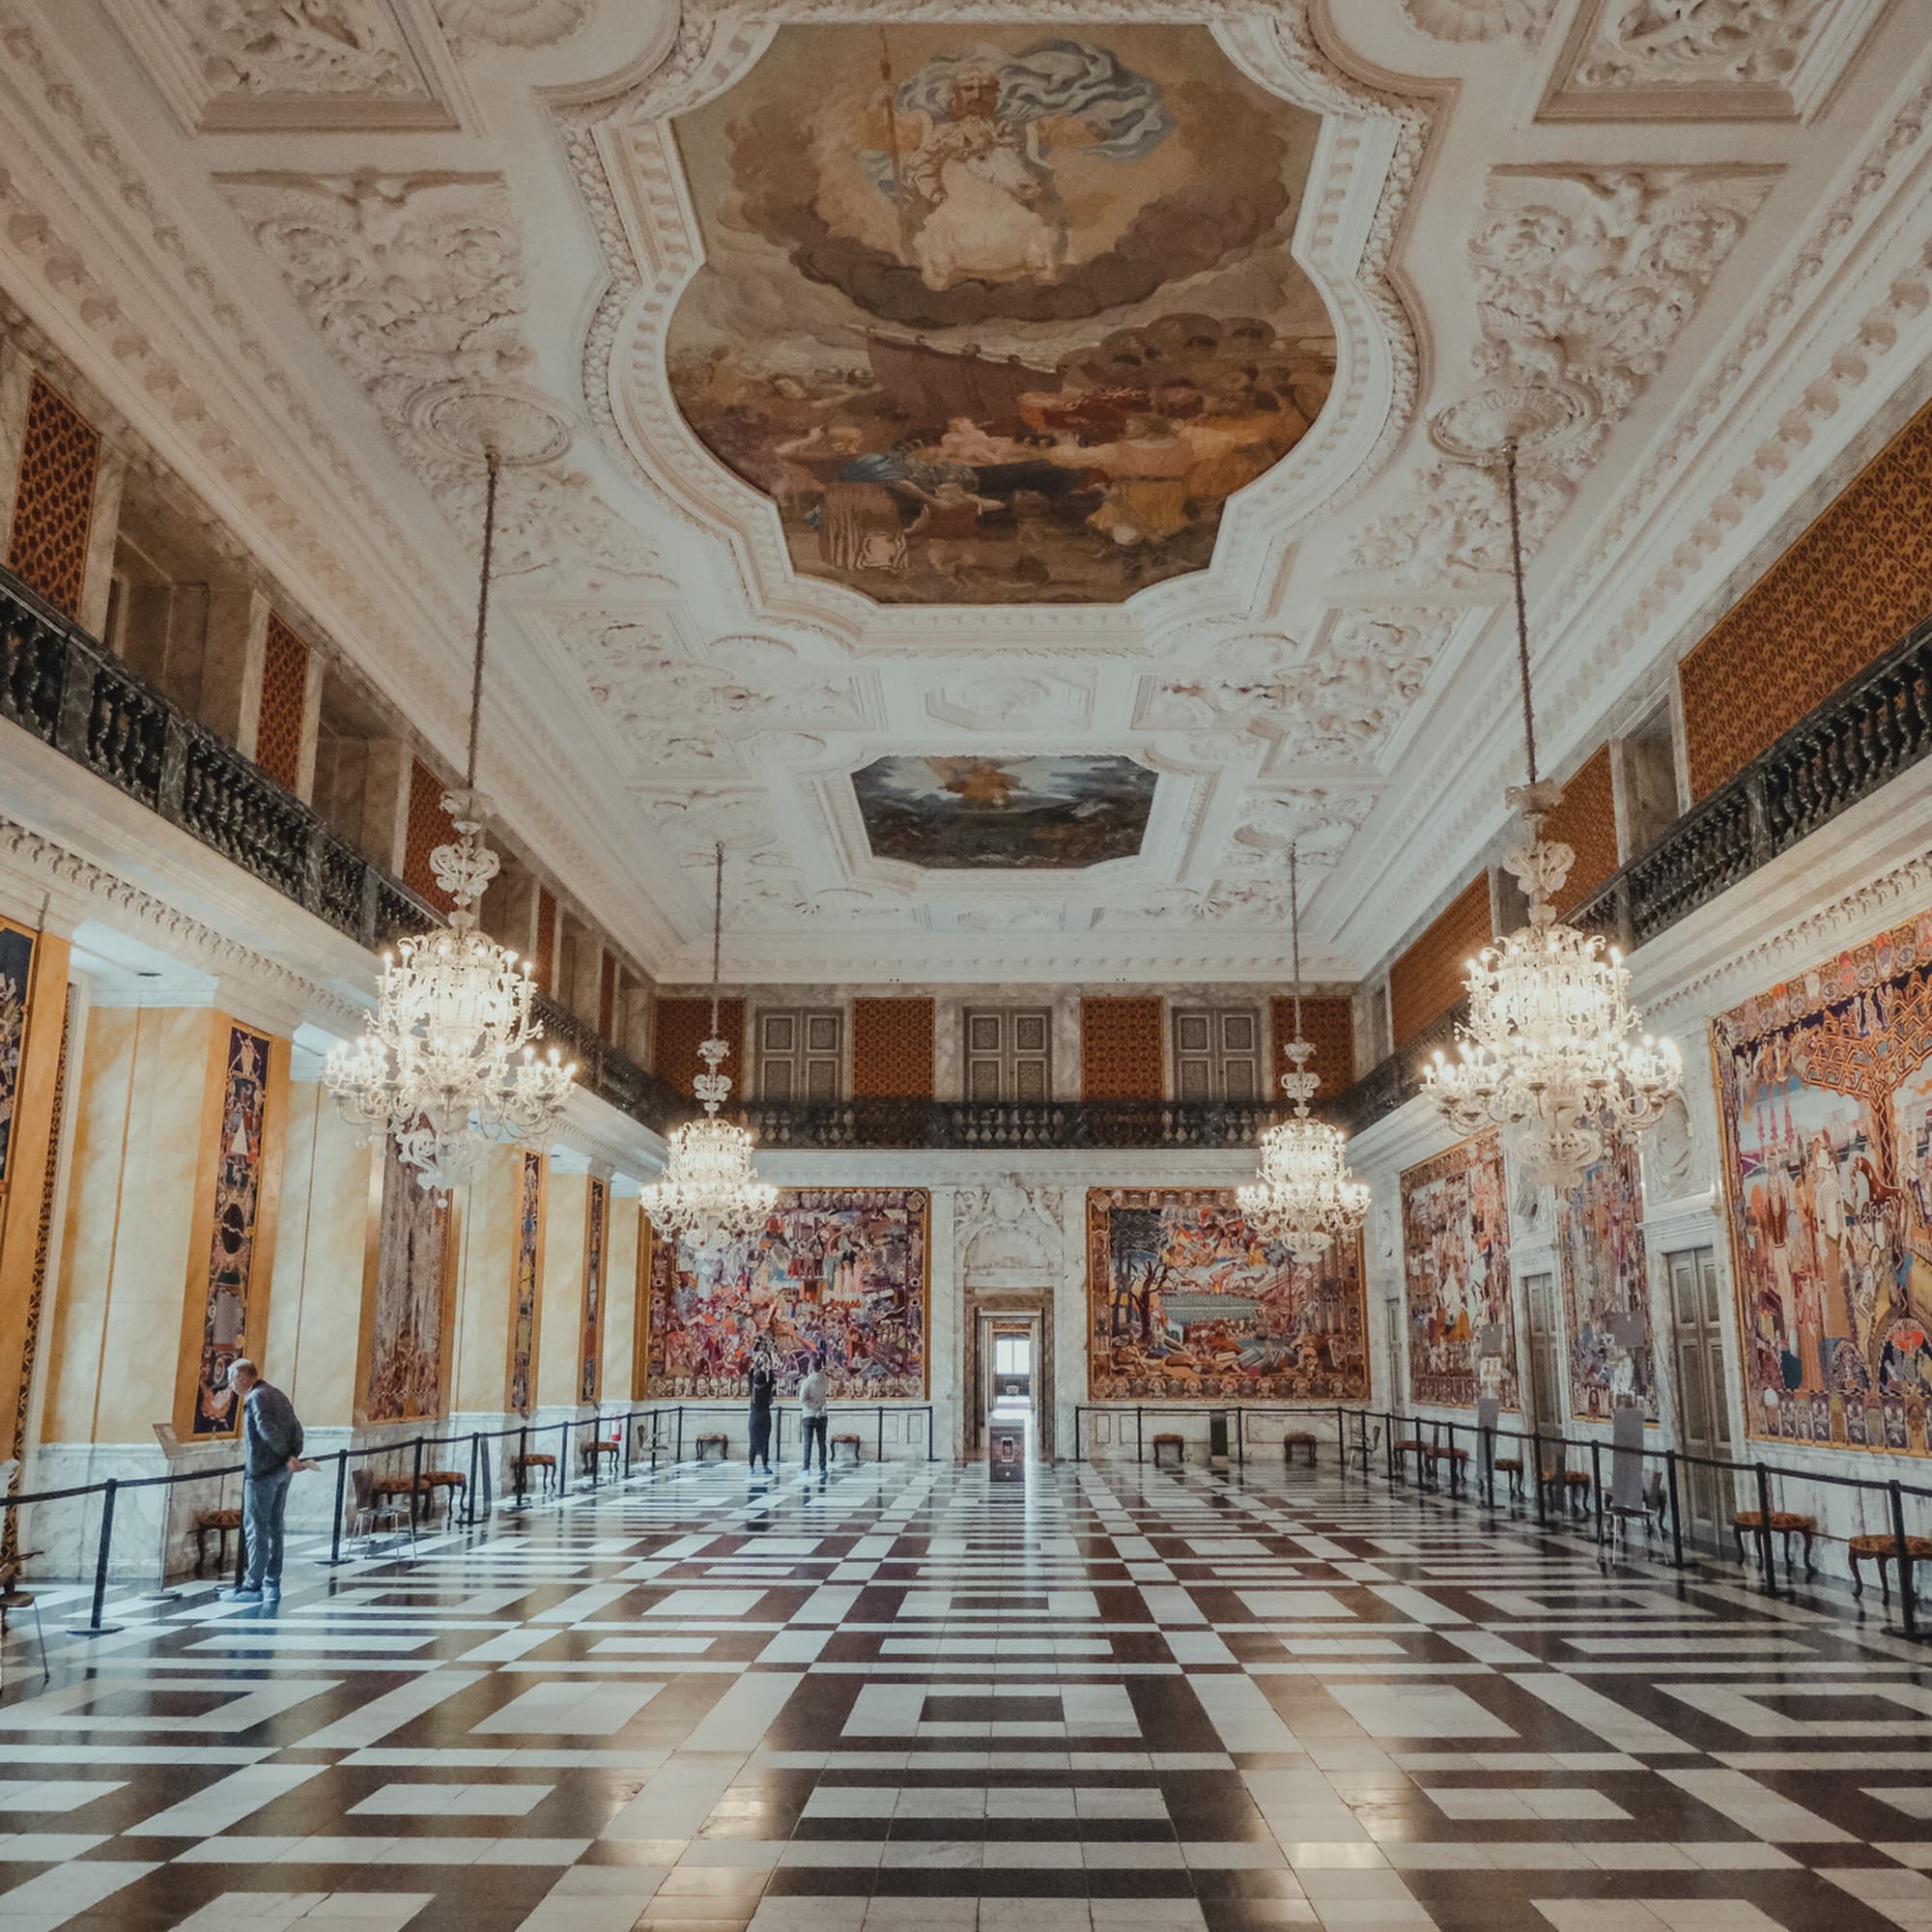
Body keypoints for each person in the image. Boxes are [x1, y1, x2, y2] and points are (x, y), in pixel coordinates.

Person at [219, 1358, 304, 1603]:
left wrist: (284, 1456)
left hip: (263, 1472)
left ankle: (252, 1585)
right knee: (275, 1527)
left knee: (256, 1528)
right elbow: (297, 1428)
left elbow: (267, 1431)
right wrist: (292, 1455)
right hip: (282, 1471)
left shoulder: (255, 1398)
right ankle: (272, 1582)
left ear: (243, 1377)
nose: (230, 1384)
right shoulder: (277, 1393)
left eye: (231, 1378)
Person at [747, 1343, 777, 1476]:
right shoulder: (767, 1388)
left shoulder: (752, 1391)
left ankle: (751, 1467)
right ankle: (764, 1466)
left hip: (754, 1418)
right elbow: (772, 1377)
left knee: (753, 1442)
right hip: (765, 1417)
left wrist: (756, 1364)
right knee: (764, 1442)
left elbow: (750, 1375)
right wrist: (768, 1364)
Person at [799, 1353, 830, 1476]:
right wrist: (818, 1407)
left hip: (809, 1415)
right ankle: (823, 1468)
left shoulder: (808, 1382)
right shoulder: (825, 1380)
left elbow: (802, 1399)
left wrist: (812, 1407)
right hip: (822, 1414)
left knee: (808, 1443)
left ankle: (806, 1468)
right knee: (822, 1443)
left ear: (811, 1367)